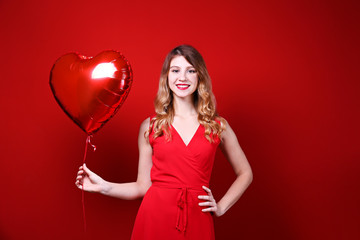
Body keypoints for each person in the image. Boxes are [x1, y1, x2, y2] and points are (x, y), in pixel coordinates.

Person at [75, 45, 253, 239]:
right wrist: (104, 186)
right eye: (175, 70)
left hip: (197, 218)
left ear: (199, 76)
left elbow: (245, 173)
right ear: (166, 78)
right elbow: (143, 186)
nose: (182, 77)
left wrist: (221, 207)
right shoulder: (151, 126)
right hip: (154, 218)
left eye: (190, 71)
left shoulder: (217, 126)